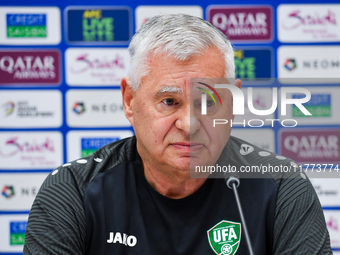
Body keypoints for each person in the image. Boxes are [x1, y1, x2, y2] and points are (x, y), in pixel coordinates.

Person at [24, 14, 331, 255]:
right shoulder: (73, 191)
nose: (189, 123)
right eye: (169, 102)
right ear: (130, 101)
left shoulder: (282, 187)